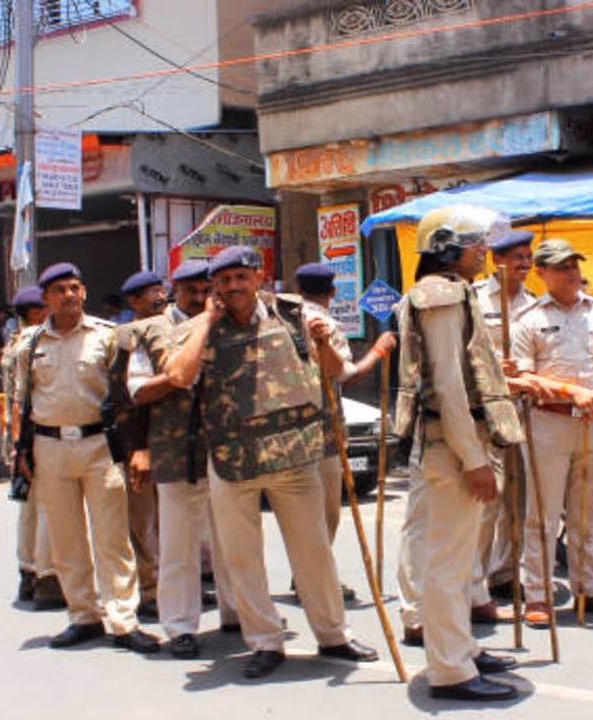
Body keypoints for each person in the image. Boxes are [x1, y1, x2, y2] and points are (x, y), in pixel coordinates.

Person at [164, 246, 378, 679]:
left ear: (258, 277)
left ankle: (333, 634)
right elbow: (179, 376)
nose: (232, 287)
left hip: (295, 457)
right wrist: (205, 320)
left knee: (314, 552)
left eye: (240, 277)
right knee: (243, 558)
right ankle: (264, 641)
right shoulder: (202, 329)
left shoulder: (296, 315)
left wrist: (320, 341)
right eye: (223, 281)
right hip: (232, 461)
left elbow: (339, 371)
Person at [390, 207, 527, 701]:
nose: (482, 253)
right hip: (452, 443)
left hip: (445, 442)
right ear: (447, 247)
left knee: (447, 555)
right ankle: (450, 669)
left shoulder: (443, 292)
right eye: (474, 245)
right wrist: (473, 460)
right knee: (448, 562)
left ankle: (458, 647)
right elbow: (447, 385)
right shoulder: (443, 295)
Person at [15, 262, 160, 653]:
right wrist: (20, 452)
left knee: (112, 537)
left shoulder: (107, 337)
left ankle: (123, 620)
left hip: (100, 445)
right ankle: (83, 615)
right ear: (45, 298)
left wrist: (137, 449)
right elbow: (22, 402)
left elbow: (128, 397)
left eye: (76, 287)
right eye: (61, 289)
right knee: (66, 539)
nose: (70, 295)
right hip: (50, 448)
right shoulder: (29, 345)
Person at [511, 239, 593, 628]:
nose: (570, 272)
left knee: (588, 512)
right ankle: (539, 594)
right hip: (548, 421)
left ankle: (590, 586)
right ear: (541, 273)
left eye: (573, 265)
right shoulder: (527, 318)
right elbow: (522, 377)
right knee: (543, 516)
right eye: (561, 266)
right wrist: (571, 393)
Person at [121, 259, 239, 658]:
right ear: (175, 289)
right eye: (192, 289)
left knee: (233, 541)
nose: (202, 297)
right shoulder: (149, 331)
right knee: (178, 545)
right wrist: (139, 447)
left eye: (208, 289)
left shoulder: (230, 324)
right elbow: (132, 397)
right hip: (173, 451)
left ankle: (237, 613)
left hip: (226, 450)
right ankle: (181, 627)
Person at [293, 262, 396, 604]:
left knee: (304, 509)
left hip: (292, 428)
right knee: (325, 511)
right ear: (333, 291)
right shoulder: (325, 323)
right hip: (323, 428)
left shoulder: (286, 319)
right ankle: (315, 579)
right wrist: (380, 350)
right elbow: (346, 374)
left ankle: (304, 573)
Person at [469, 228, 537, 616]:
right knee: (488, 498)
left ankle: (506, 572)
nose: (524, 264)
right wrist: (498, 363)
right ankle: (474, 582)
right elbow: (467, 348)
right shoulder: (476, 299)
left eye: (528, 258)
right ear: (498, 261)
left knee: (518, 497)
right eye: (517, 258)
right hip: (486, 409)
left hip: (522, 409)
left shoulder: (532, 303)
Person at [1, 286, 64, 611]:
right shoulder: (35, 341)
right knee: (47, 507)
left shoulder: (13, 342)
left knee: (29, 507)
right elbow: (21, 398)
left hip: (19, 434)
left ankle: (27, 570)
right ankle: (46, 576)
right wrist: (20, 444)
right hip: (33, 434)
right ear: (37, 312)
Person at [115, 269, 167, 619]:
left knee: (171, 523)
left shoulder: (172, 329)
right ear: (134, 301)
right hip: (140, 443)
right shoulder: (126, 338)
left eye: (161, 290)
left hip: (172, 442)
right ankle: (149, 591)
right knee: (143, 522)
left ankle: (175, 588)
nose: (160, 297)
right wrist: (136, 448)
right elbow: (122, 398)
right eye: (151, 292)